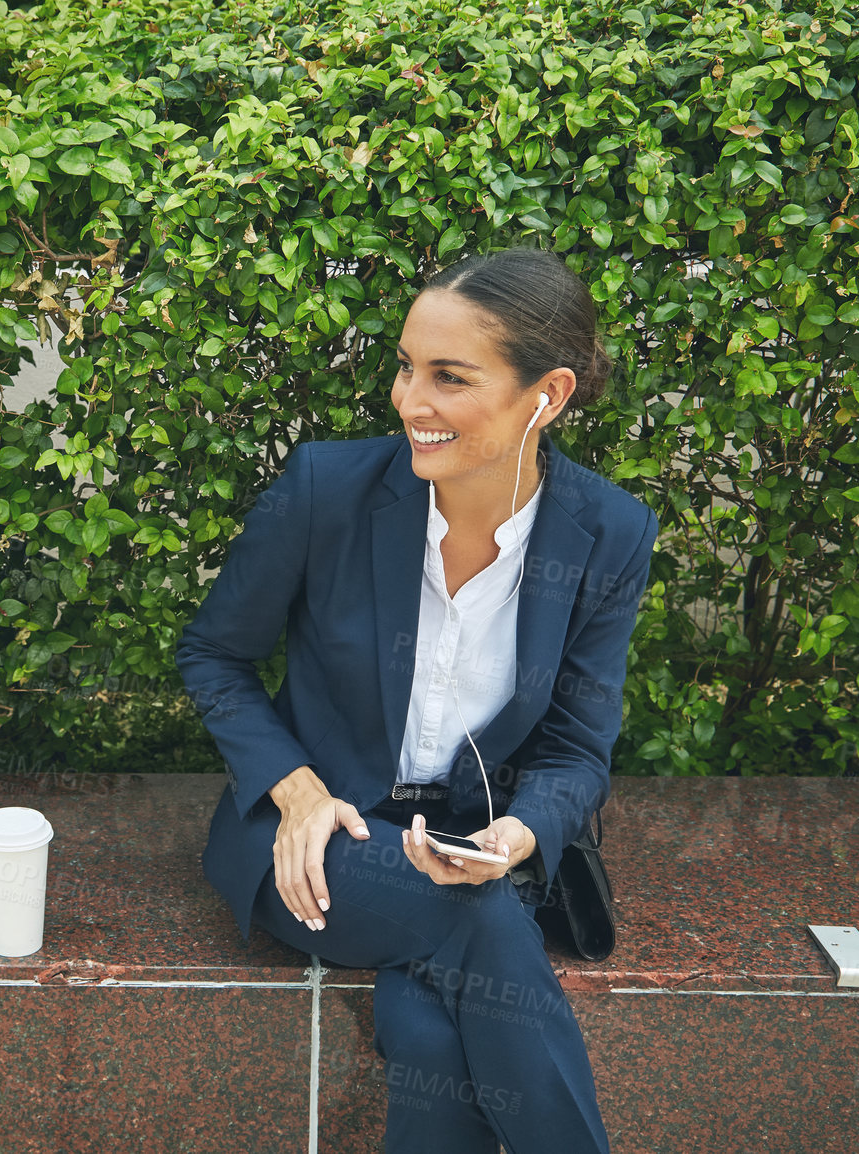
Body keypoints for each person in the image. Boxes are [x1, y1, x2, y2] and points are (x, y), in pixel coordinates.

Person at [174, 247, 659, 1154]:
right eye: (405, 366)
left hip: (471, 850)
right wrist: (295, 788)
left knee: (434, 1036)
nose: (409, 400)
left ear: (545, 397)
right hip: (324, 841)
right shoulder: (329, 490)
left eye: (449, 376)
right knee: (471, 917)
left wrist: (516, 836)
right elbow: (214, 655)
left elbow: (575, 749)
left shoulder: (609, 533)